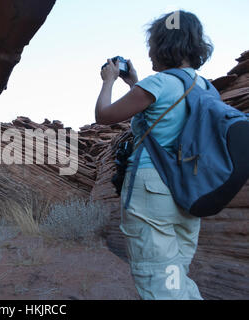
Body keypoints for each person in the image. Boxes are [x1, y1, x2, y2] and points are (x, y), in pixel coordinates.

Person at [95, 10, 214, 300]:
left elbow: (104, 115)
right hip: (190, 190)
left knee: (160, 283)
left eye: (152, 43)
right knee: (175, 275)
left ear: (164, 45)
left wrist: (109, 79)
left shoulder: (158, 83)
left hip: (153, 190)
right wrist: (134, 82)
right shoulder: (206, 88)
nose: (149, 50)